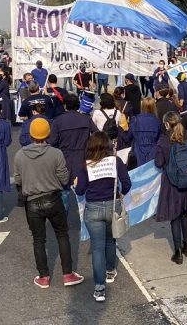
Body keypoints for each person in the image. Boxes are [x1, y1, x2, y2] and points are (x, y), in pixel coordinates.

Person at [14, 118, 84, 288]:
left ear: (30, 134)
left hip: (32, 202)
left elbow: (18, 180)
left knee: (38, 240)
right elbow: (64, 177)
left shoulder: (20, 155)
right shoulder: (56, 153)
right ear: (48, 134)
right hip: (53, 198)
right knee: (62, 234)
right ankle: (68, 274)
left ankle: (43, 276)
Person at [74, 132, 131, 302]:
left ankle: (99, 289)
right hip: (112, 205)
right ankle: (110, 271)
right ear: (107, 145)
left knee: (97, 247)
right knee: (110, 240)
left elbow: (80, 191)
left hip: (93, 209)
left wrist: (77, 184)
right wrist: (121, 194)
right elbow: (127, 183)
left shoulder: (86, 165)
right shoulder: (115, 161)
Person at [155, 111, 187, 264]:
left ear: (167, 123)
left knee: (174, 216)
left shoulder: (163, 139)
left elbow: (158, 163)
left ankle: (178, 251)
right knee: (185, 213)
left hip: (172, 182)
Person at [49, 94, 98, 215]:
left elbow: (52, 142)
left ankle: (64, 220)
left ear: (65, 105)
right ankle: (87, 219)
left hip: (64, 158)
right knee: (84, 189)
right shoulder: (86, 119)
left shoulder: (58, 121)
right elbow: (97, 135)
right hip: (83, 158)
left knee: (64, 191)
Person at [128, 97, 161, 166]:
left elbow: (129, 136)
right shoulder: (157, 121)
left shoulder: (135, 119)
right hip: (153, 150)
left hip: (138, 151)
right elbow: (159, 138)